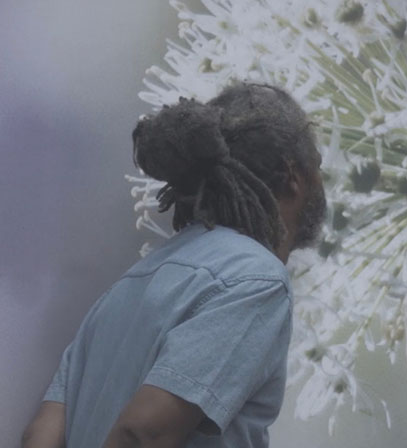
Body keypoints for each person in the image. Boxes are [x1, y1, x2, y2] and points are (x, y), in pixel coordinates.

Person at [21, 83, 327, 448]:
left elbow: (40, 435)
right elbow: (143, 433)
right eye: (319, 166)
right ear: (292, 176)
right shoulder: (257, 280)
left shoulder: (129, 284)